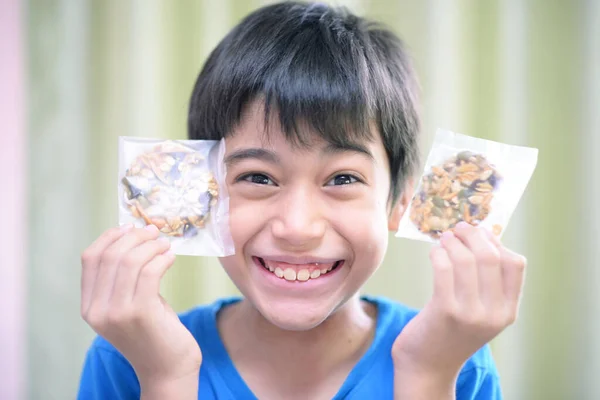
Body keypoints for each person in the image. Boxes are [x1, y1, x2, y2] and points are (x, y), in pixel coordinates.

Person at [77, 2, 525, 399]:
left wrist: (427, 375)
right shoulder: (131, 355)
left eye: (343, 178)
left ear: (400, 202)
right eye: (258, 177)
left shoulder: (454, 361)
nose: (297, 227)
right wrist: (166, 377)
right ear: (199, 195)